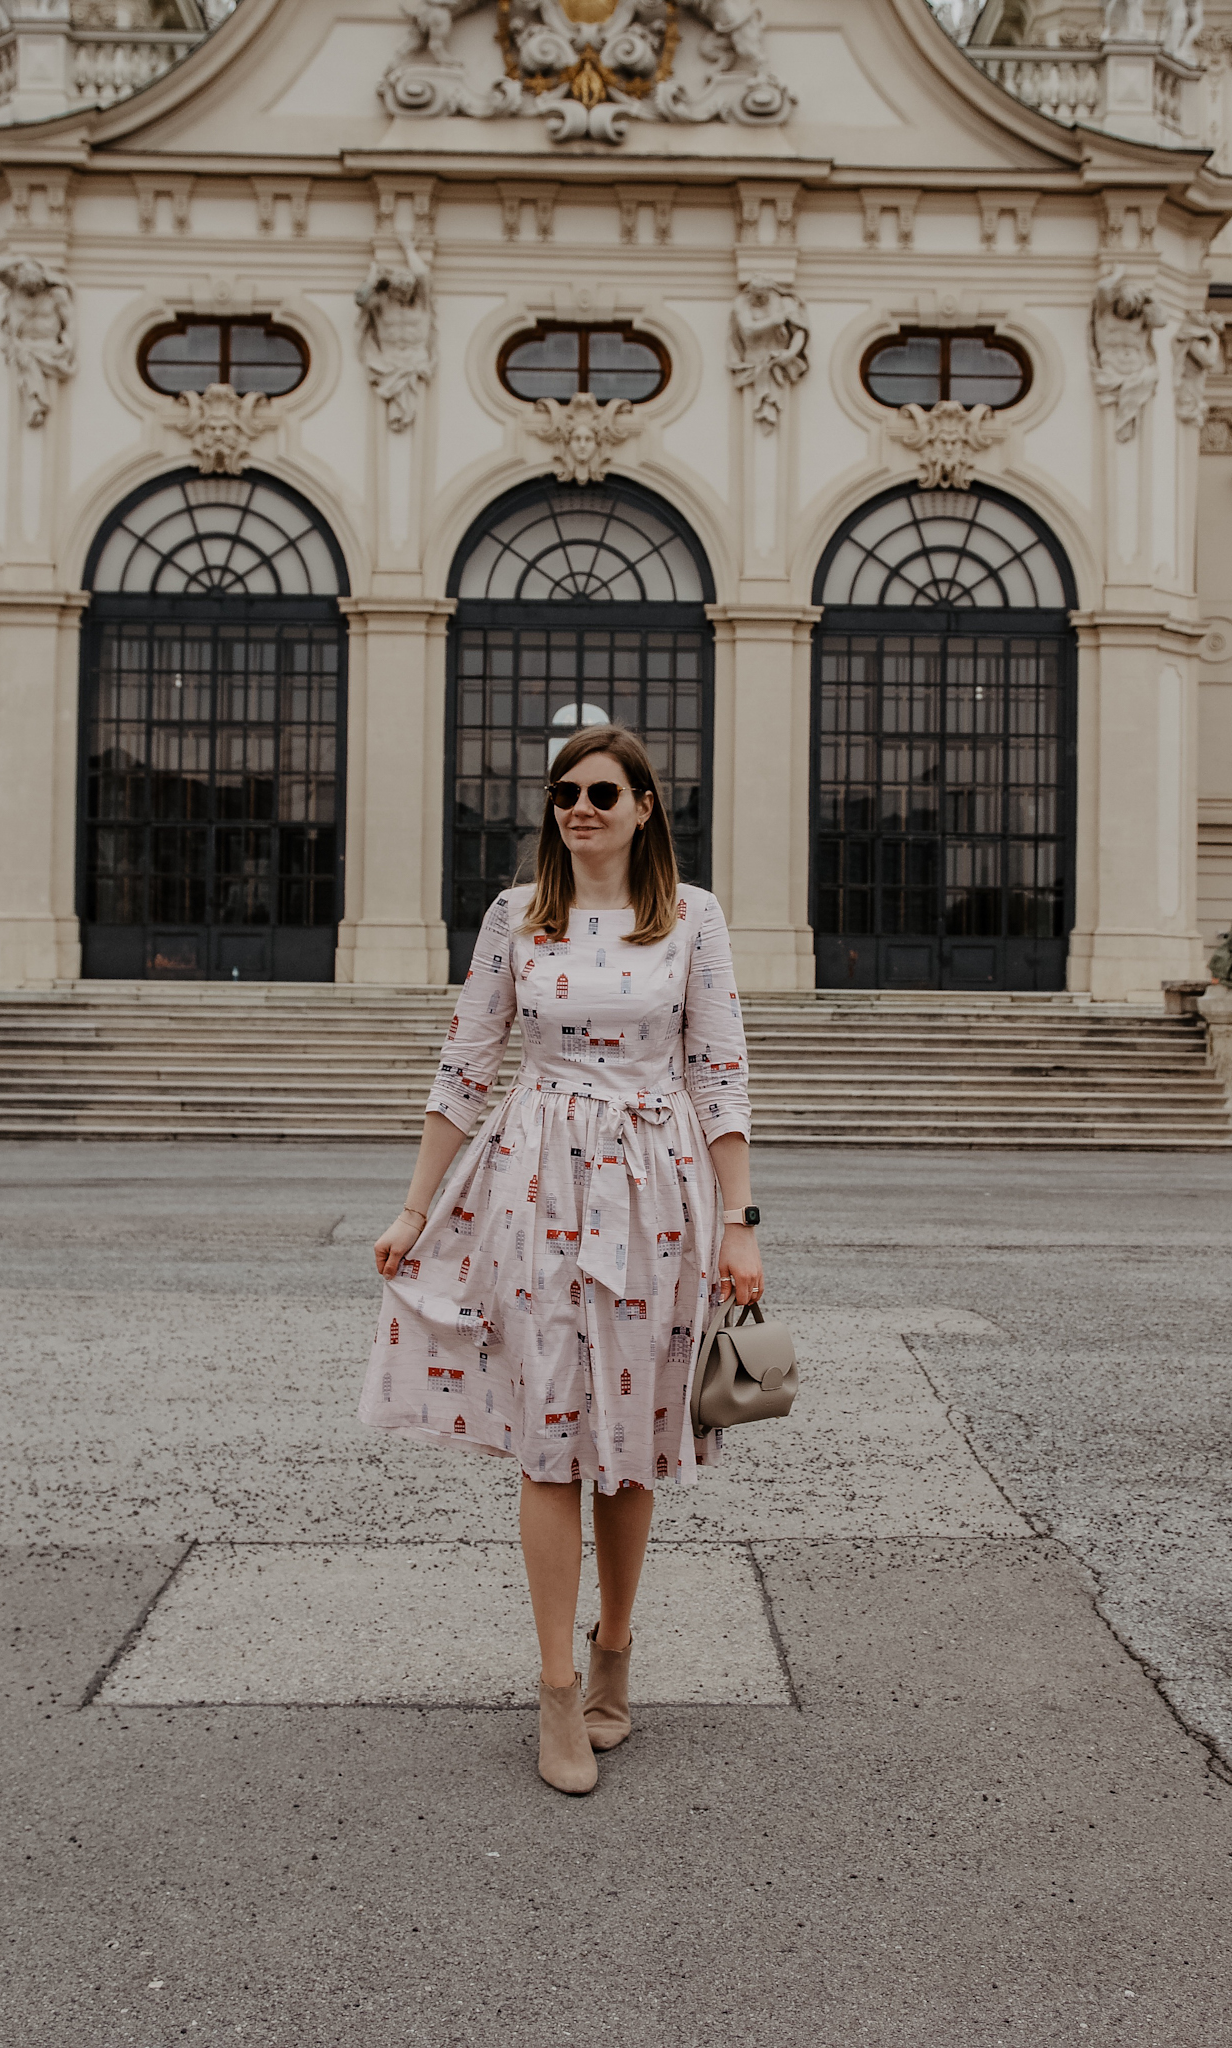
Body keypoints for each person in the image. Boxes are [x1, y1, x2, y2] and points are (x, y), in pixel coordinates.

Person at [361, 723, 762, 1794]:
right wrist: (413, 1207)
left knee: (628, 1438)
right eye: (564, 792)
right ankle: (552, 1691)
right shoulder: (515, 917)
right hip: (535, 1179)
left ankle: (614, 1648)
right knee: (550, 1432)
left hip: (657, 1193)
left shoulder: (692, 917)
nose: (579, 807)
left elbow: (720, 1070)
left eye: (601, 792)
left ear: (643, 808)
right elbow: (465, 1062)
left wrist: (741, 1218)